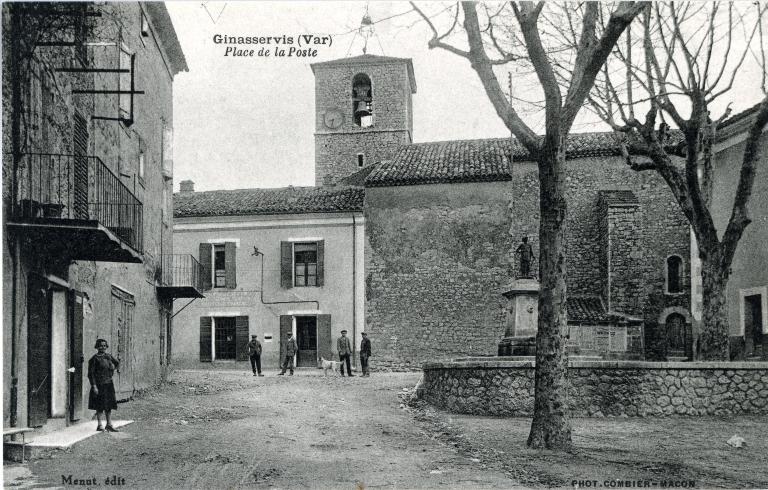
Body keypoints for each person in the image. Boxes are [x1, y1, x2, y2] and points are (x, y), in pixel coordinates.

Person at [88, 338, 120, 432]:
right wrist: (94, 386)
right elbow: (91, 374)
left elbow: (117, 363)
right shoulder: (94, 359)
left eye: (105, 346)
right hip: (99, 385)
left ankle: (109, 424)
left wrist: (113, 368)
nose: (103, 347)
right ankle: (99, 425)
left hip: (108, 384)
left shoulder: (109, 356)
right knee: (100, 406)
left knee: (108, 405)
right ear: (97, 347)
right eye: (101, 345)